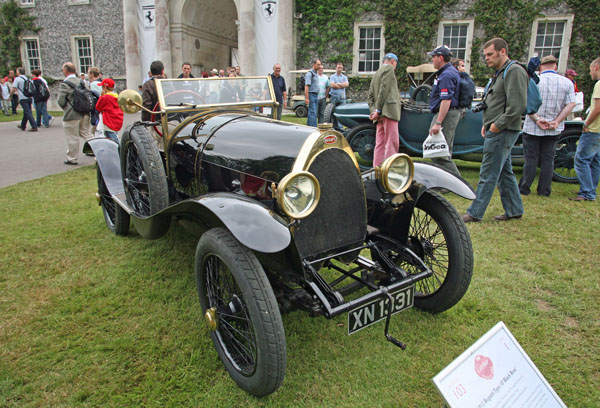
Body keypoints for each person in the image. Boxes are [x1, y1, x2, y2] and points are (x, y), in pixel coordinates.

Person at [462, 38, 527, 223]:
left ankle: (475, 212)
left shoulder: (514, 71)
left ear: (503, 51)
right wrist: (488, 123)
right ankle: (514, 209)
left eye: (490, 54)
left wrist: (497, 125)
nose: (487, 59)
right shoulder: (502, 72)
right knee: (504, 173)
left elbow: (517, 105)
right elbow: (497, 101)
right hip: (498, 129)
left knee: (488, 172)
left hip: (503, 131)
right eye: (485, 55)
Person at [519, 55, 576, 197]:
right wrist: (557, 120)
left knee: (531, 159)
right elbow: (571, 103)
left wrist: (537, 118)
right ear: (555, 66)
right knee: (548, 160)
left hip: (533, 125)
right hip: (553, 127)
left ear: (541, 66)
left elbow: (525, 102)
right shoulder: (567, 83)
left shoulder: (533, 81)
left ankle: (524, 188)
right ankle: (544, 190)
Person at [428, 45, 462, 178]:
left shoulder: (447, 75)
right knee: (444, 151)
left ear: (440, 57)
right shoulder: (448, 72)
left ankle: (457, 183)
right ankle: (445, 182)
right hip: (448, 113)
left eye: (433, 57)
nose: (432, 60)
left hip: (446, 114)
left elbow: (446, 100)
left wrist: (438, 122)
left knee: (438, 152)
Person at [570, 57, 600, 201]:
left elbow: (597, 108)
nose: (589, 73)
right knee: (594, 161)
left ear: (596, 68)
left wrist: (587, 123)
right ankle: (591, 190)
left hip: (594, 129)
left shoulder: (599, 84)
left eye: (590, 70)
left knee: (581, 159)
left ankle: (587, 192)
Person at [368, 53, 401, 167]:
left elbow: (370, 97)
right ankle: (389, 170)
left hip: (380, 114)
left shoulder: (376, 73)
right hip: (389, 111)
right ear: (392, 61)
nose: (395, 66)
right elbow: (384, 89)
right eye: (396, 63)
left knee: (380, 144)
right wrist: (378, 110)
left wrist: (374, 111)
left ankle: (377, 169)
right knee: (391, 142)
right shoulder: (389, 69)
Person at [57, 62, 92, 165]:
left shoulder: (64, 84)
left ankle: (72, 158)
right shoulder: (82, 82)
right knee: (87, 133)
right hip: (85, 112)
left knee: (72, 136)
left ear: (66, 71)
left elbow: (61, 101)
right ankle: (98, 151)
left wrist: (66, 108)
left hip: (72, 114)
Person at [94, 77, 123, 143]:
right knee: (114, 136)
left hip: (109, 121)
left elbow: (98, 107)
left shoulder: (106, 97)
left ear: (105, 87)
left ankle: (119, 151)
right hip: (117, 120)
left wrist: (101, 96)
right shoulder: (116, 96)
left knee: (113, 140)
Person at [11, 67, 38, 132]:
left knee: (28, 112)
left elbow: (14, 88)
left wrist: (10, 95)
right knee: (26, 111)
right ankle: (23, 125)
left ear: (18, 72)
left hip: (23, 97)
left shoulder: (17, 79)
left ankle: (34, 126)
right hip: (29, 97)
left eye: (17, 71)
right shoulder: (27, 78)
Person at [304, 58, 321, 127]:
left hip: (316, 95)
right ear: (314, 64)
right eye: (318, 64)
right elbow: (306, 86)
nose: (319, 66)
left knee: (314, 112)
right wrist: (307, 98)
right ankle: (313, 127)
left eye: (320, 65)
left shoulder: (316, 74)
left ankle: (309, 126)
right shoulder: (309, 74)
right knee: (312, 112)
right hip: (311, 94)